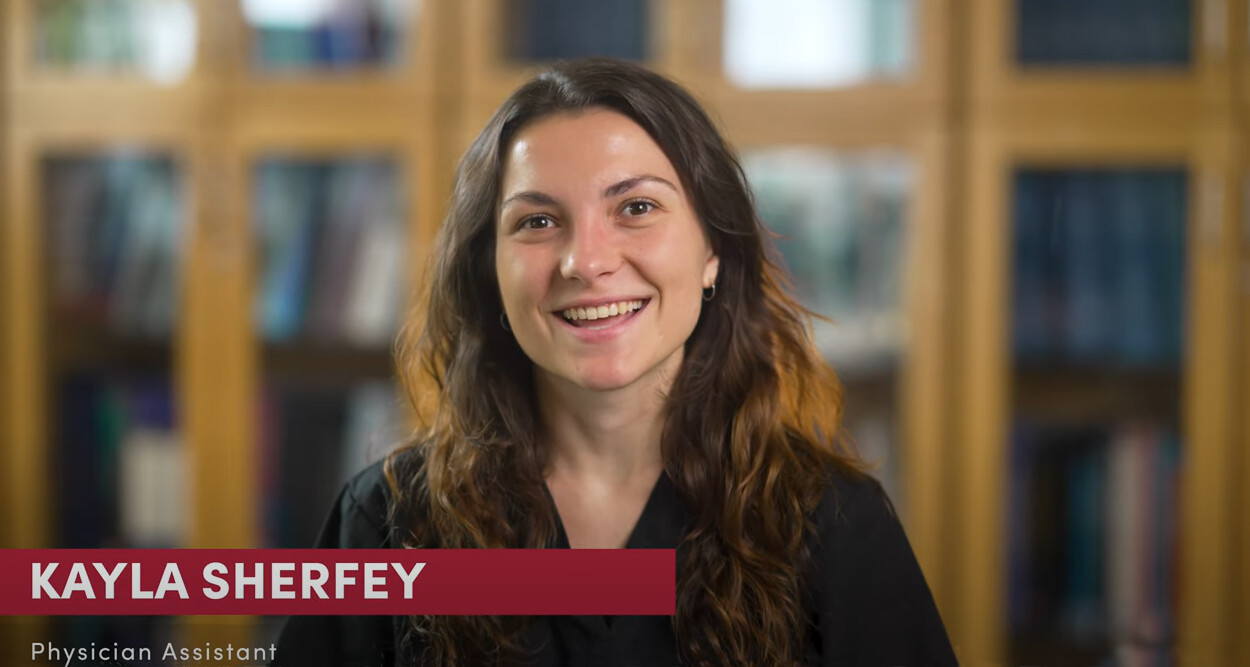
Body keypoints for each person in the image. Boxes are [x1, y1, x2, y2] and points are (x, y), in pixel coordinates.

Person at [273, 58, 956, 666]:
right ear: (490, 273)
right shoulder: (388, 520)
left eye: (635, 207)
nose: (586, 261)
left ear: (714, 248)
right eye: (537, 221)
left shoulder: (833, 524)